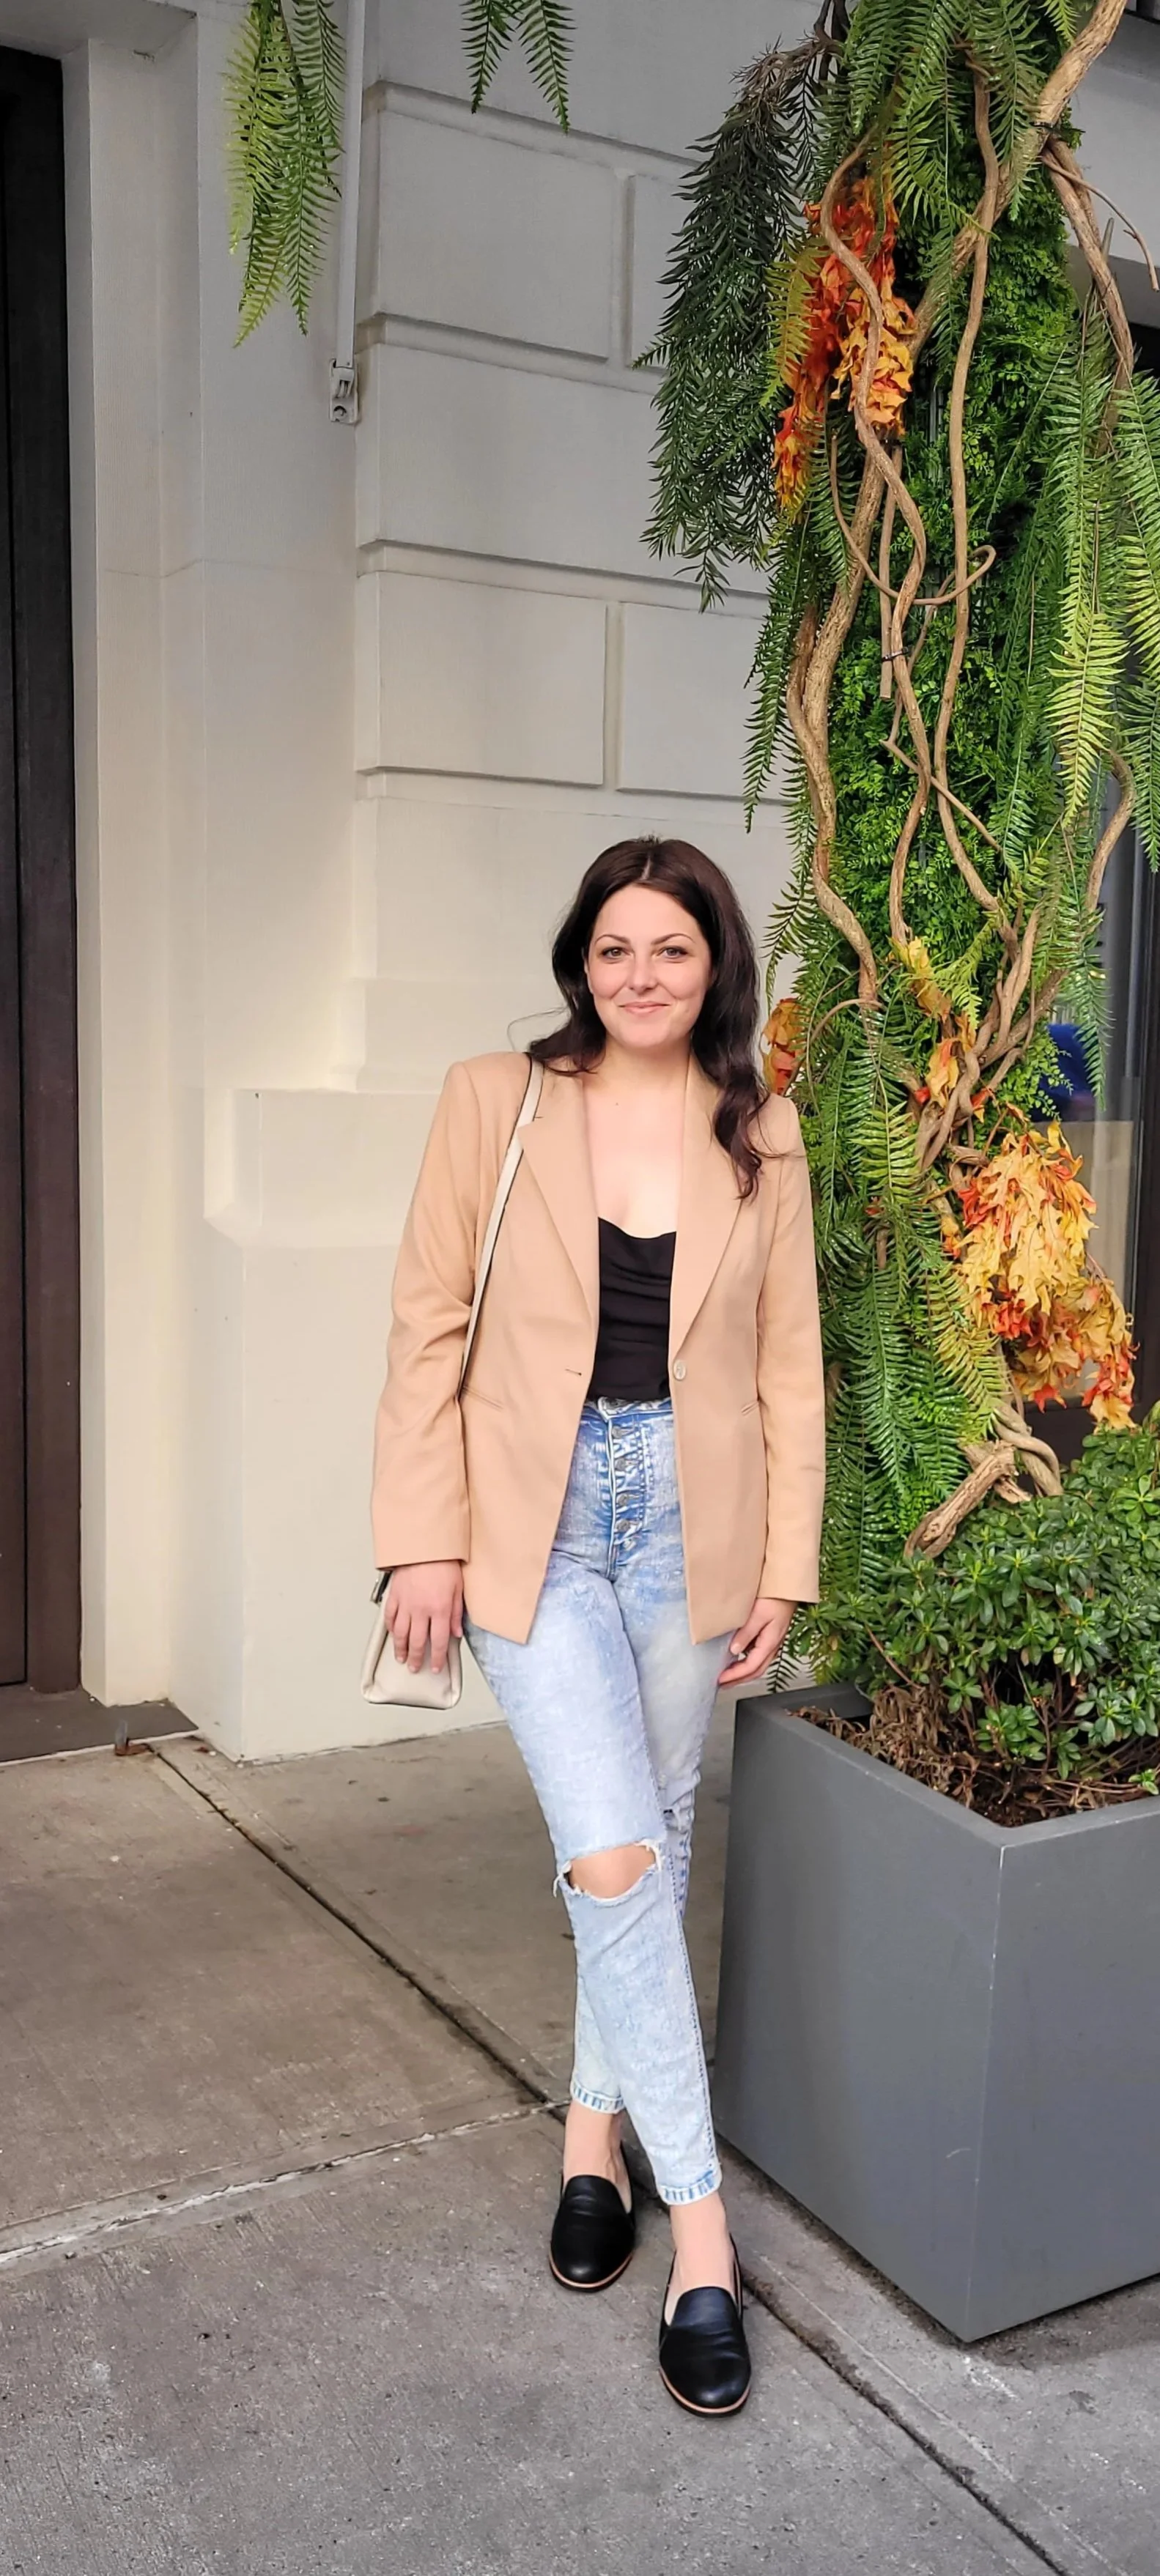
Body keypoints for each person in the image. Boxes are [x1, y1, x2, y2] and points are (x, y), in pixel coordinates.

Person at [372, 836, 825, 2416]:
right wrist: (418, 1538)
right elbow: (426, 1319)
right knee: (619, 1862)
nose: (639, 974)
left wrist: (782, 1564)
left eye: (671, 950)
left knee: (643, 1845)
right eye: (613, 948)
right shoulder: (493, 1102)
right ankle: (702, 2242)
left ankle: (589, 2146)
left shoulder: (757, 1130)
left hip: (688, 1533)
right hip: (533, 1525)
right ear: (581, 959)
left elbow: (786, 1368)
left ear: (713, 969)